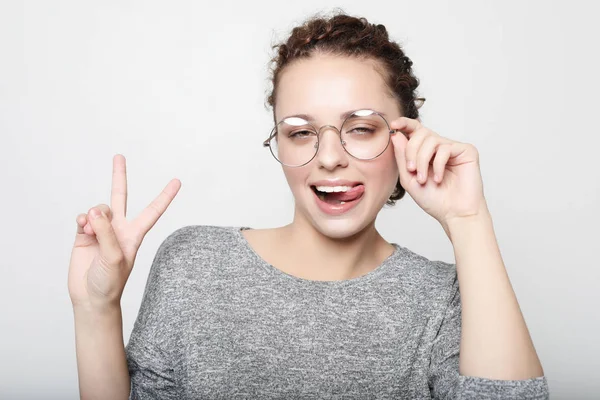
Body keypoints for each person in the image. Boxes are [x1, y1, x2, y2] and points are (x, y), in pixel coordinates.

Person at [68, 12, 550, 399]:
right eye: (300, 132)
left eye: (361, 128)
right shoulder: (194, 262)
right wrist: (96, 309)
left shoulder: (447, 298)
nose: (330, 157)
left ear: (406, 138)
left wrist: (469, 220)